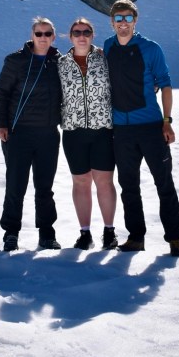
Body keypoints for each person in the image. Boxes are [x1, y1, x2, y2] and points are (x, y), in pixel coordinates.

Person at [104, 0, 179, 257]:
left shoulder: (151, 49)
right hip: (121, 130)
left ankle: (175, 239)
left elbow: (165, 84)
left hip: (151, 127)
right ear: (112, 22)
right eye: (119, 18)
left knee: (164, 184)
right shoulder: (107, 47)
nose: (123, 23)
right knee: (129, 187)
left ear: (135, 21)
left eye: (128, 18)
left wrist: (167, 121)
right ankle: (136, 237)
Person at [0, 16, 63, 252]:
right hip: (18, 134)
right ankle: (11, 233)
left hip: (48, 134)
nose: (43, 37)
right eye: (39, 33)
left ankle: (47, 234)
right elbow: (2, 92)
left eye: (47, 33)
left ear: (53, 37)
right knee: (16, 185)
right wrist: (1, 125)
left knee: (45, 187)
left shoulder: (60, 62)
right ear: (32, 36)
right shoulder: (16, 60)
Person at [58, 17, 118, 251]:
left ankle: (109, 231)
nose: (81, 36)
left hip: (103, 130)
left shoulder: (105, 59)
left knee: (104, 181)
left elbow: (125, 80)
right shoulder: (61, 64)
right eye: (77, 32)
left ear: (92, 35)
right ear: (70, 36)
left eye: (86, 32)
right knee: (81, 182)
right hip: (73, 132)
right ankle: (85, 233)